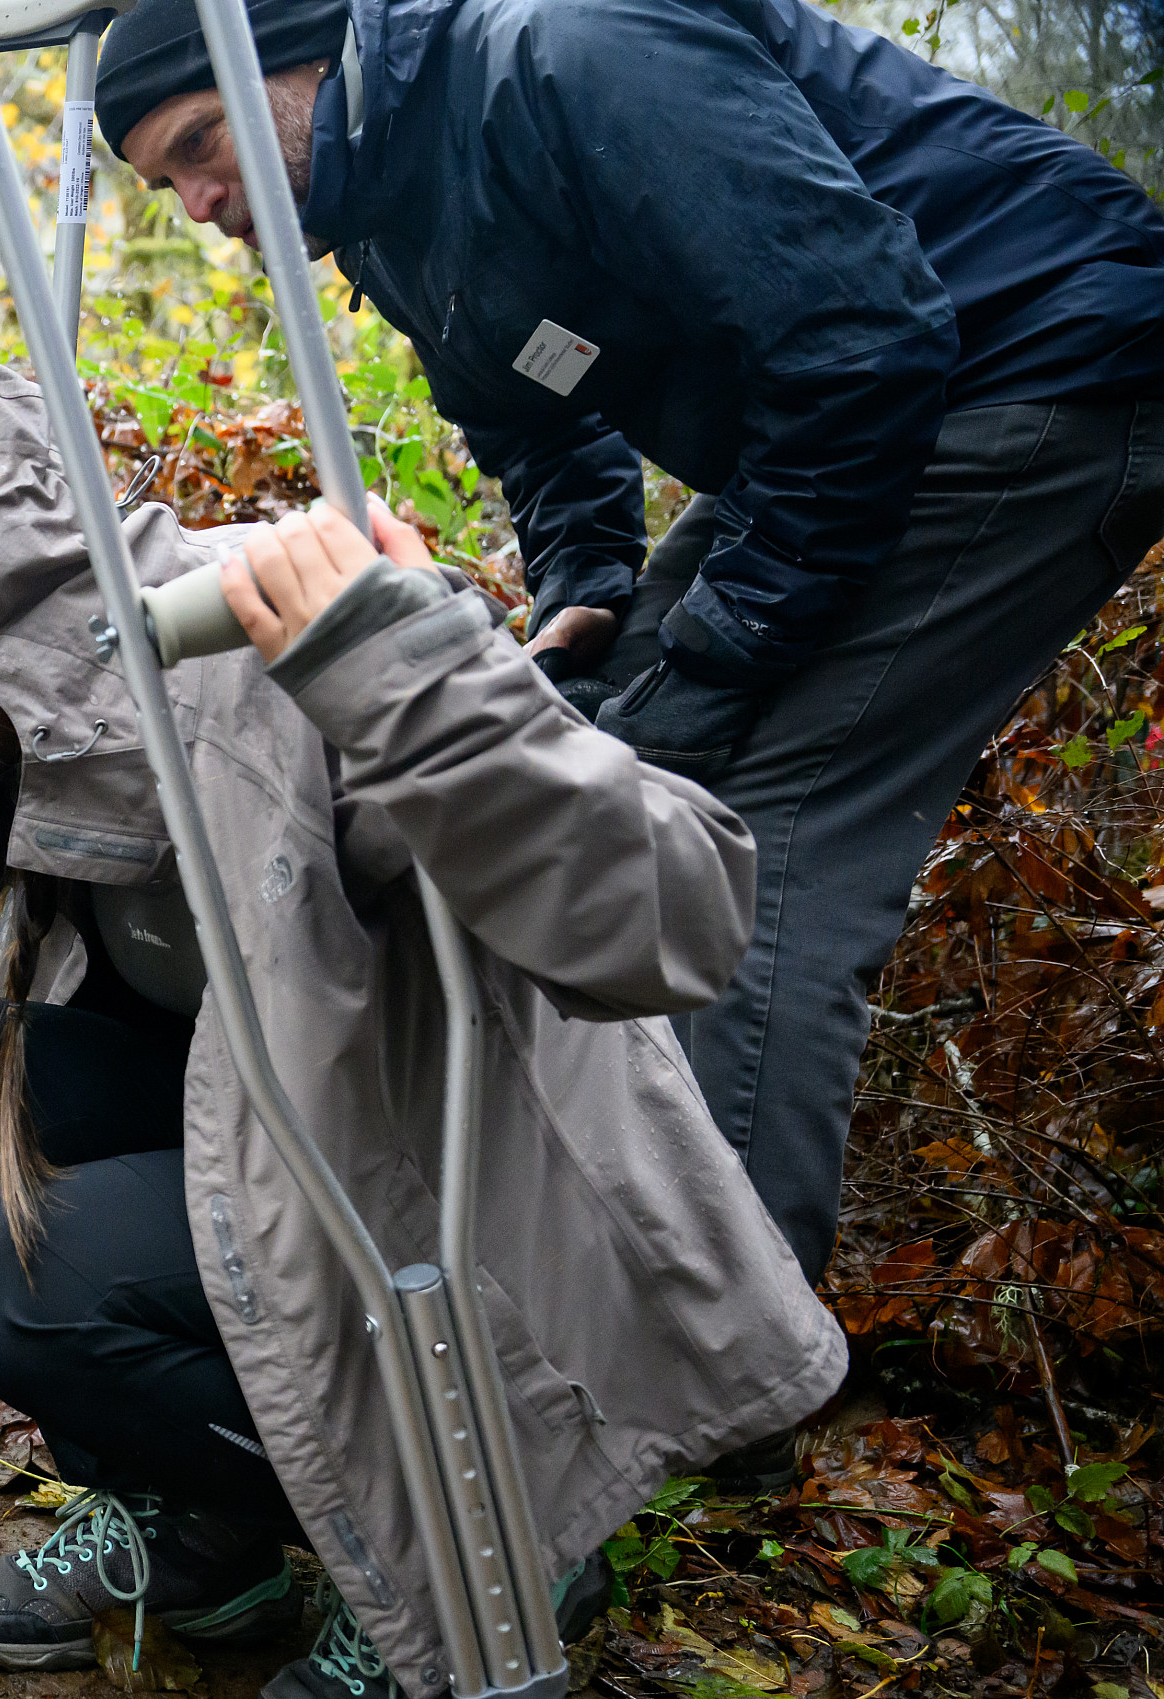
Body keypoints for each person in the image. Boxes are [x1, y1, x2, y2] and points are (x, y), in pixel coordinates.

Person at [0, 352, 845, 1699]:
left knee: (32, 1279)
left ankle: (483, 1552)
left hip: (459, 1231)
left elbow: (680, 915)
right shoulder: (59, 728)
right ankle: (216, 1531)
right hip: (282, 1161)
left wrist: (411, 669)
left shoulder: (283, 650)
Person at [96, 0, 1164, 1283]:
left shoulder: (568, 52)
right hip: (839, 417)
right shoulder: (383, 214)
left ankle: (730, 1355)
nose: (200, 202)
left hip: (1027, 364)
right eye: (168, 184)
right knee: (616, 771)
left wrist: (721, 649)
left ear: (305, 57)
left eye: (203, 142)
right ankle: (598, 1253)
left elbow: (862, 342)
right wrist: (587, 592)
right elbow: (536, 426)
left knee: (765, 832)